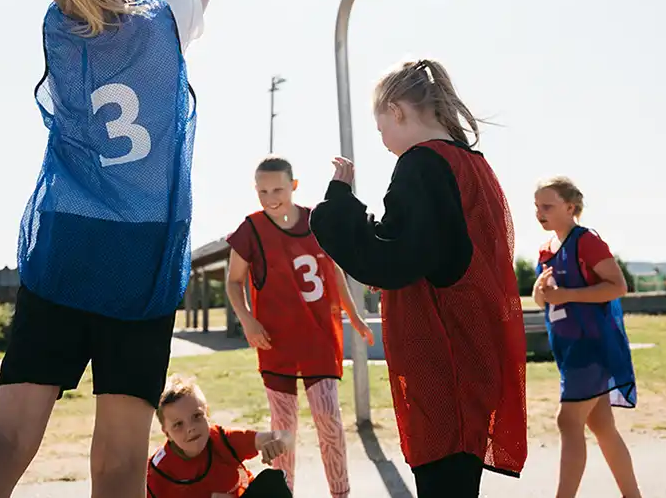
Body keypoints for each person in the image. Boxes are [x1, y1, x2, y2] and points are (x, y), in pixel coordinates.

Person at [0, 0, 253, 498]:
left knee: (5, 440)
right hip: (140, 258)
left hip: (66, 244)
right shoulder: (167, 23)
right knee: (118, 462)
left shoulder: (56, 33)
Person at [308, 58, 528, 498]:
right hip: (474, 355)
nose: (385, 142)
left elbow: (391, 262)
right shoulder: (474, 165)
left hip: (442, 361)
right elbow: (427, 253)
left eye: (381, 128)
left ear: (397, 111)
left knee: (442, 483)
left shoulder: (422, 164)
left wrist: (336, 206)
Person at [225, 155, 373, 498]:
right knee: (283, 430)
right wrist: (247, 320)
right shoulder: (251, 228)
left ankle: (341, 492)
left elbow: (333, 271)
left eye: (278, 189)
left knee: (329, 421)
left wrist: (354, 315)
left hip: (318, 340)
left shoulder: (315, 221)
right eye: (262, 191)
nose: (270, 197)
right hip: (274, 343)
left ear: (293, 185)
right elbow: (234, 282)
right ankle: (283, 493)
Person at [532, 176, 641, 498]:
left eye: (547, 206)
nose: (540, 212)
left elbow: (618, 286)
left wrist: (565, 294)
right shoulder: (546, 249)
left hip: (593, 346)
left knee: (567, 421)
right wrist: (542, 293)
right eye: (537, 206)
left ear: (571, 207)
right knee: (602, 426)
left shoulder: (587, 241)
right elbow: (546, 300)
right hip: (568, 349)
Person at [147, 375, 294, 498]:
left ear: (207, 414)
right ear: (167, 433)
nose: (191, 428)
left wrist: (278, 443)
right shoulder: (157, 472)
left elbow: (285, 437)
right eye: (178, 424)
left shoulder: (222, 439)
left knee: (272, 481)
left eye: (197, 416)